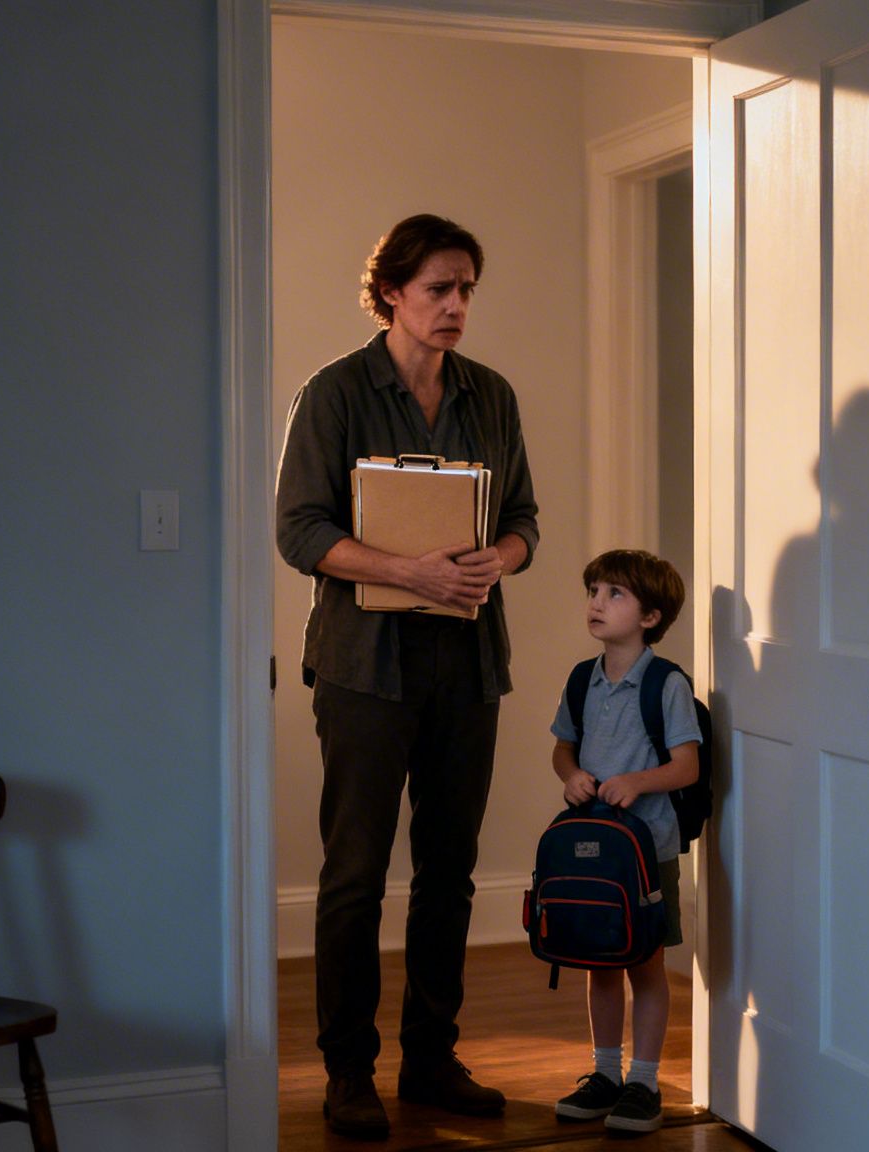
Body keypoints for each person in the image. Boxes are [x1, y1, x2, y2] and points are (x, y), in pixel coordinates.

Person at [275, 214, 540, 1139]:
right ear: (390, 291)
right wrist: (410, 571)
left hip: (468, 660)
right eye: (439, 288)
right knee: (354, 875)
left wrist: (497, 559)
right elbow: (299, 531)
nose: (457, 305)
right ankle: (349, 1073)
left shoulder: (491, 396)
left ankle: (432, 1058)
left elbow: (525, 519)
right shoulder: (336, 393)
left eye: (467, 288)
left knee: (450, 872)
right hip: (363, 667)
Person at [548, 549, 701, 1135]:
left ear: (650, 617)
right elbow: (562, 746)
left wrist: (637, 782)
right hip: (593, 849)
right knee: (600, 962)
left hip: (647, 852)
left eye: (615, 594)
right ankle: (604, 1073)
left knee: (644, 964)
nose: (596, 602)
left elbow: (686, 766)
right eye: (594, 589)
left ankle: (643, 1080)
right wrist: (571, 775)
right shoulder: (580, 678)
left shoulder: (666, 685)